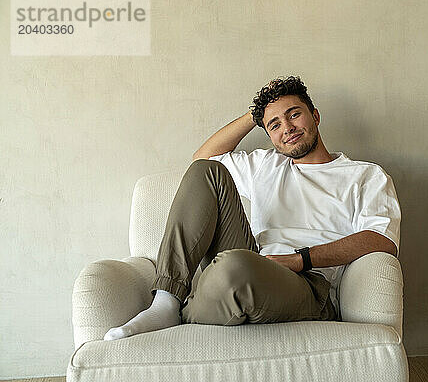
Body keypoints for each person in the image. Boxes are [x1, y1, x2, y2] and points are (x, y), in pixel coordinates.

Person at [103, 76, 401, 341]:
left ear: (315, 115)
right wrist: (255, 113)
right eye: (275, 124)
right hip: (254, 263)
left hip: (308, 284)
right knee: (206, 171)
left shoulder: (365, 174)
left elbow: (381, 239)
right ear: (268, 134)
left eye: (294, 115)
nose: (288, 128)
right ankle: (167, 302)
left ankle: (203, 300)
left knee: (235, 267)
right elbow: (202, 157)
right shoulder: (267, 165)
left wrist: (299, 260)